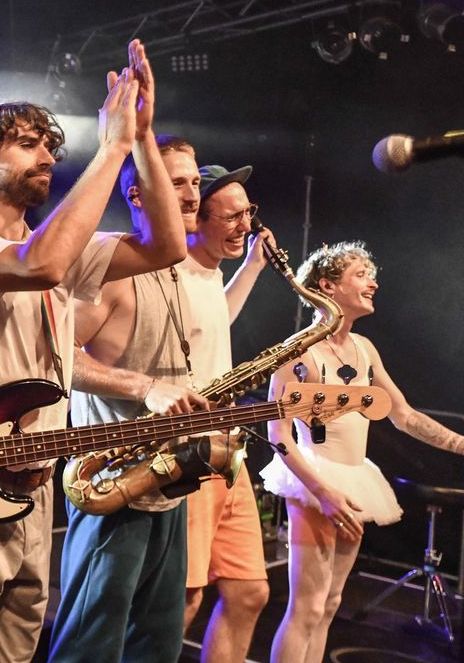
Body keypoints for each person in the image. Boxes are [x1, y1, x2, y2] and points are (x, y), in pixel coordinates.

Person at [0, 39, 192, 663]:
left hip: (34, 499)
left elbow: (168, 246)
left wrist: (142, 138)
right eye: (29, 143)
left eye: (51, 148)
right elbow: (42, 264)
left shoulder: (61, 244)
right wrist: (111, 148)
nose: (48, 158)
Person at [261, 241, 464, 663]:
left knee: (330, 604)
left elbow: (404, 415)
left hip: (354, 477)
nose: (373, 283)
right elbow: (277, 433)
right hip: (315, 480)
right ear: (327, 286)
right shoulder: (298, 351)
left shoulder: (365, 349)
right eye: (360, 275)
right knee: (307, 607)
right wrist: (323, 492)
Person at [49, 133, 211, 663]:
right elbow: (56, 356)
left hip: (166, 483)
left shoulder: (174, 270)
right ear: (139, 194)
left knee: (157, 647)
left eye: (195, 182)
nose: (192, 195)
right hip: (113, 486)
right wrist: (145, 387)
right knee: (88, 648)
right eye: (175, 182)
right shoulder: (112, 268)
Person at [179, 164, 274, 663]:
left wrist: (253, 267)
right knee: (185, 598)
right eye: (232, 216)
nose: (246, 225)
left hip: (226, 450)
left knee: (249, 591)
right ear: (197, 219)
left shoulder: (211, 274)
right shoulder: (174, 273)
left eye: (248, 212)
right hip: (188, 452)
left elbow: (219, 317)